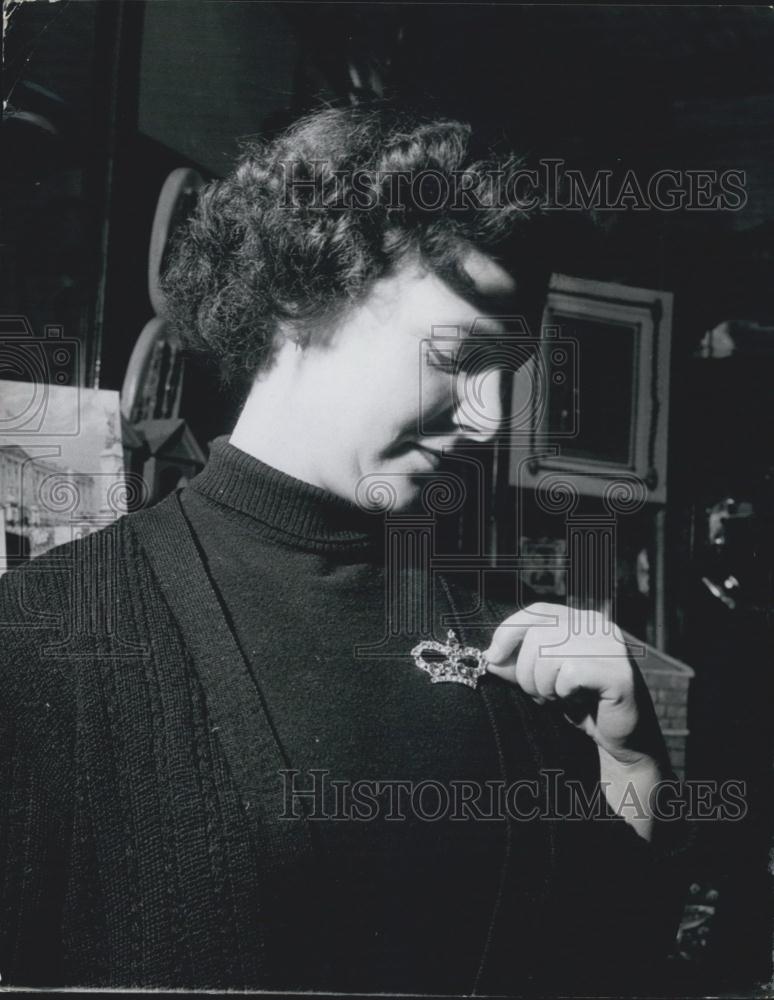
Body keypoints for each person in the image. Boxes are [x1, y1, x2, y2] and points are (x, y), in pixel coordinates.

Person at [0, 105, 689, 994]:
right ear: (300, 299)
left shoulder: (503, 632)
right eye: (457, 355)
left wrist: (632, 766)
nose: (491, 413)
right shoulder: (42, 638)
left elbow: (610, 958)